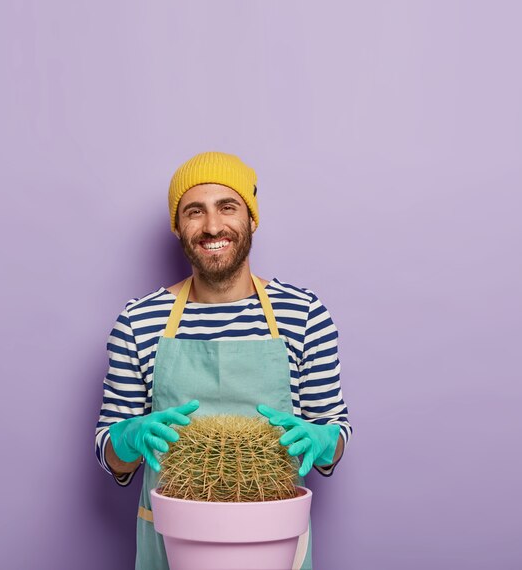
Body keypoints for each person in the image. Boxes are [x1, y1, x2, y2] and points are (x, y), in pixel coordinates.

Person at [95, 151, 353, 570]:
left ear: (252, 218)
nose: (212, 226)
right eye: (194, 211)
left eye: (227, 207)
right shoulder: (138, 320)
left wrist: (324, 441)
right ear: (178, 227)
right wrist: (126, 437)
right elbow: (110, 455)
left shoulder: (304, 313)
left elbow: (335, 436)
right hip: (169, 547)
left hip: (274, 543)